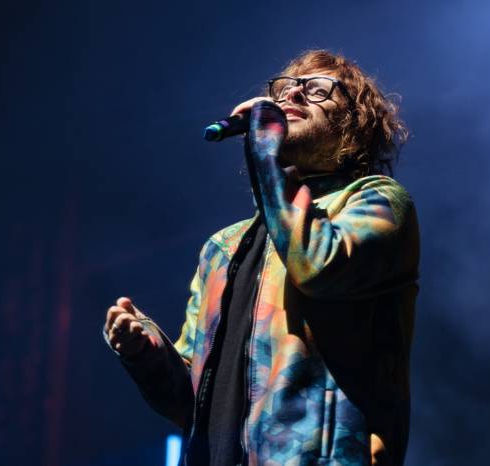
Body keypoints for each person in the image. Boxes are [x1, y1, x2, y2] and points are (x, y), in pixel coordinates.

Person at [103, 49, 420, 466]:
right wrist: (145, 352)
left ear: (354, 123)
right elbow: (191, 405)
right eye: (285, 89)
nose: (293, 95)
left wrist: (265, 153)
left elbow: (318, 266)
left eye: (318, 89)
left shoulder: (376, 202)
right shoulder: (223, 248)